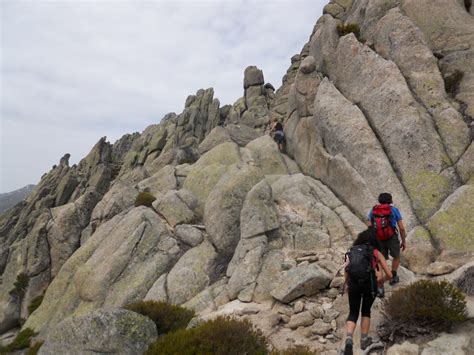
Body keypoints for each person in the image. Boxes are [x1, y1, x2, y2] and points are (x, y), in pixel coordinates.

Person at [343, 229, 392, 354]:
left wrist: (348, 284)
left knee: (353, 312)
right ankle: (364, 340)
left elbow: (346, 270)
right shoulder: (375, 252)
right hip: (369, 286)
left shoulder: (351, 252)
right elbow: (389, 274)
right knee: (365, 311)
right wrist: (380, 280)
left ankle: (349, 338)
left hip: (353, 284)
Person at [368, 192, 407, 287]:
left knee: (380, 260)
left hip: (378, 238)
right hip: (391, 237)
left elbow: (369, 226)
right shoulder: (394, 210)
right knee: (396, 256)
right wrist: (404, 241)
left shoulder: (373, 211)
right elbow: (401, 228)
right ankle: (393, 275)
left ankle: (380, 284)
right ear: (390, 200)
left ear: (379, 200)